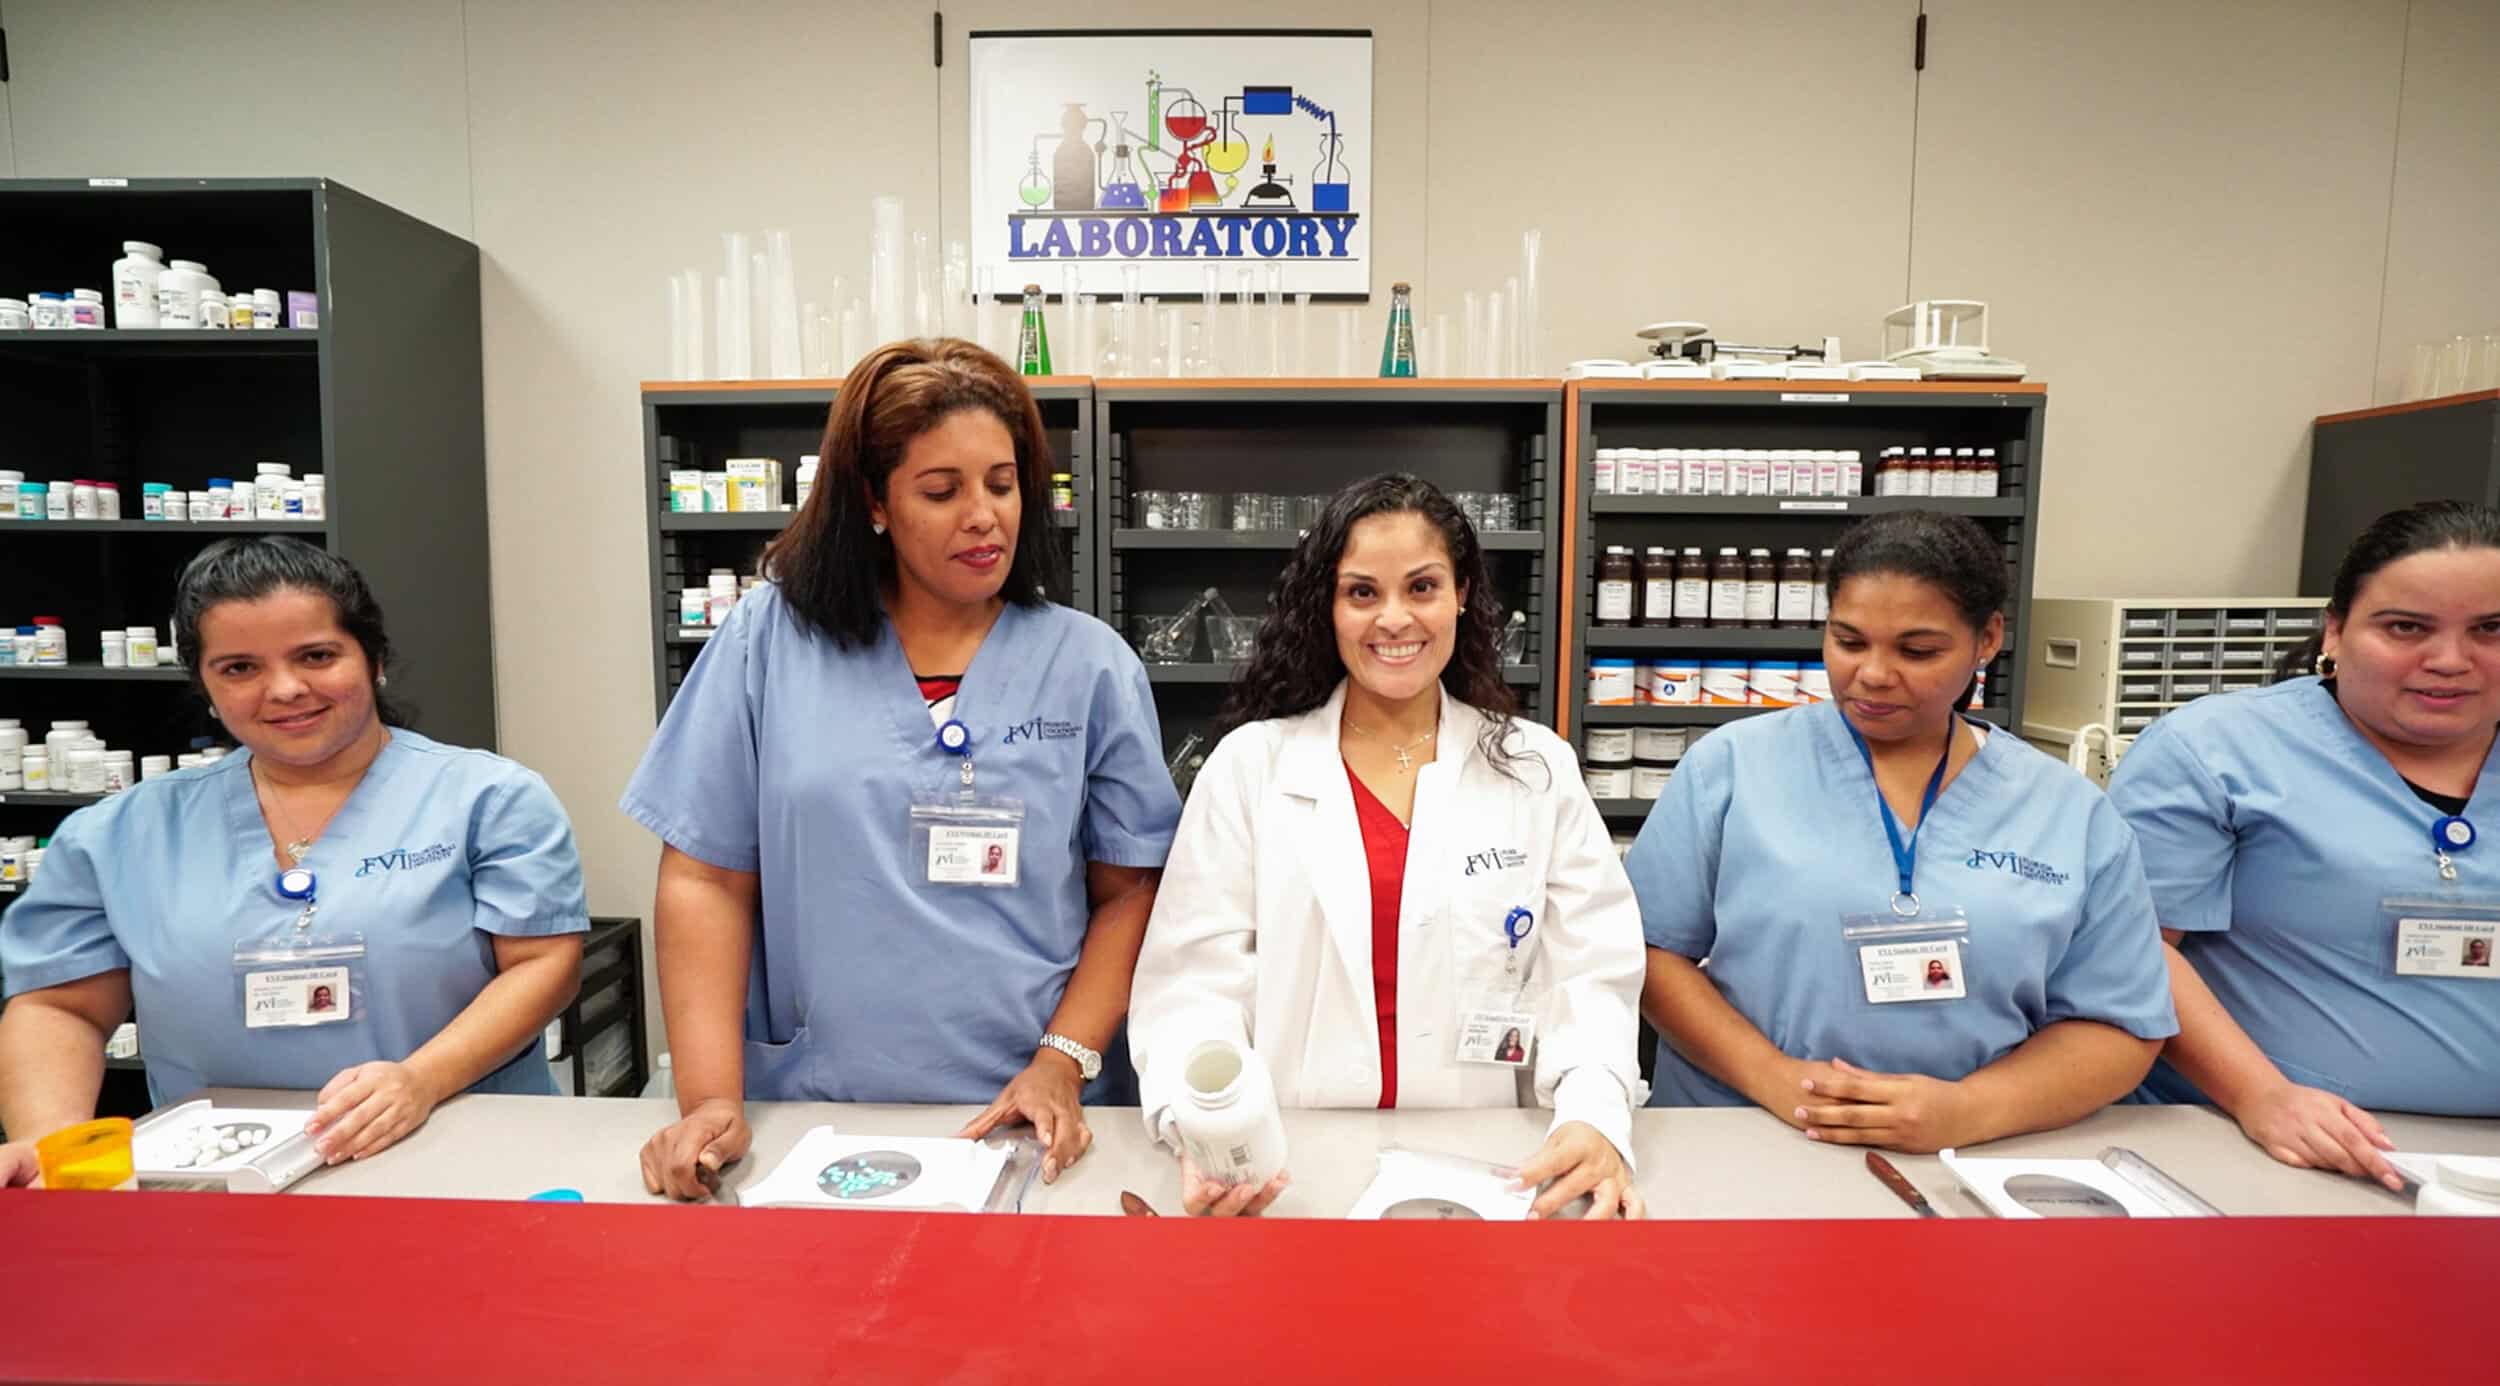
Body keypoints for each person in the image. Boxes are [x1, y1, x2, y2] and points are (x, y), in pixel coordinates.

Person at [624, 339, 1180, 1200]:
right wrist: (708, 1098)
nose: (985, 515)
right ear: (873, 502)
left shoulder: (1089, 665)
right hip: (814, 1111)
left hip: (1031, 1118)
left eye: (1002, 483)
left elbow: (1130, 893)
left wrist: (1061, 1063)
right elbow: (705, 876)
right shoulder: (769, 641)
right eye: (941, 490)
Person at [1130, 475, 1646, 1220]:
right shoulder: (1253, 767)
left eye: (1423, 587)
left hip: (1494, 1164)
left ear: (1463, 593)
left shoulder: (1533, 766)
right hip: (1285, 1168)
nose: (1394, 618)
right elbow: (1192, 986)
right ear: (1328, 608)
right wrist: (1209, 1132)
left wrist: (1596, 1115)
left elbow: (1592, 973)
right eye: (1362, 593)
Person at [0, 538, 589, 1186]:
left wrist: (420, 1081)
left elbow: (544, 966)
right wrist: (49, 1145)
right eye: (239, 668)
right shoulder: (119, 834)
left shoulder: (487, 799)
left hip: (462, 1152)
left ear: (375, 659)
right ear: (204, 683)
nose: (284, 689)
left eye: (316, 655)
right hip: (215, 1176)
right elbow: (62, 1008)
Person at [1626, 510, 2175, 1152]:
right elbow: (1650, 952)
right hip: (1745, 1132)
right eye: (1849, 641)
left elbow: (2120, 1023)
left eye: (1918, 651)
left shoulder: (2069, 812)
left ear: (1987, 639)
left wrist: (1971, 1110)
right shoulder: (1733, 766)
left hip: (1977, 1151)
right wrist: (1777, 1081)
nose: (1875, 674)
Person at [2110, 501, 2500, 1187]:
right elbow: (2134, 951)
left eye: (2490, 630)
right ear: (2337, 629)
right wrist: (2262, 1097)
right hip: (2253, 1136)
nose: (2449, 661)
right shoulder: (2218, 751)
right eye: (2406, 627)